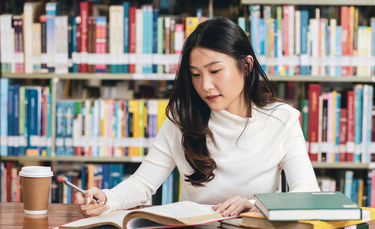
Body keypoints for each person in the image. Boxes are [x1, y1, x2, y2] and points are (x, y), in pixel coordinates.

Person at [75, 17, 320, 218]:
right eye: (195, 75)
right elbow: (143, 183)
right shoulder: (183, 117)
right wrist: (108, 198)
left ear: (246, 66)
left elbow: (307, 192)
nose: (206, 86)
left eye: (215, 71)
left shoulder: (282, 120)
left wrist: (254, 205)